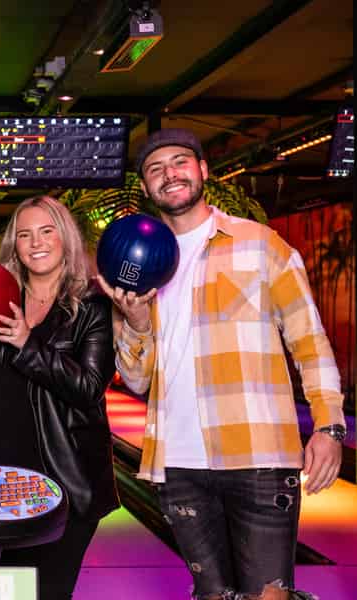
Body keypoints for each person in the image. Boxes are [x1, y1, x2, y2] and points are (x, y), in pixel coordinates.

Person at [98, 128, 345, 600]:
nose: (169, 174)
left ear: (203, 170)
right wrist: (134, 319)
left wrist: (329, 426)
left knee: (267, 596)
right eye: (156, 169)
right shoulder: (137, 263)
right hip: (177, 464)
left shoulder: (260, 244)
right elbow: (134, 377)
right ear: (148, 188)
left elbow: (308, 339)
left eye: (180, 162)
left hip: (258, 455)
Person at [0, 195, 119, 599]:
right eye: (24, 234)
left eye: (47, 231)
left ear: (65, 239)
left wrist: (27, 342)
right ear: (15, 245)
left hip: (62, 479)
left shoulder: (92, 307)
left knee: (47, 593)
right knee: (3, 593)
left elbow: (89, 388)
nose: (36, 242)